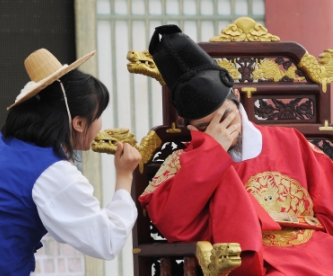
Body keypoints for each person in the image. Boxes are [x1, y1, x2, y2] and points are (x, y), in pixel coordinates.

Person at [0, 48, 141, 275]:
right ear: (79, 123)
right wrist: (124, 176)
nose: (101, 123)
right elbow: (106, 241)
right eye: (99, 114)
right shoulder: (54, 173)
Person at [138, 24, 333, 275]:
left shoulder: (290, 141)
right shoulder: (182, 161)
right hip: (249, 260)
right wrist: (211, 152)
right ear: (191, 127)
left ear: (237, 98)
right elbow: (174, 224)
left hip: (315, 250)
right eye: (206, 126)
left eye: (226, 117)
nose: (221, 129)